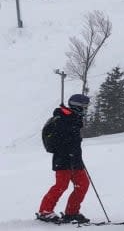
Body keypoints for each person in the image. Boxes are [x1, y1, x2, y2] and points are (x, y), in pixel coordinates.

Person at [37, 94, 91, 224]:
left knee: (83, 184)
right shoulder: (62, 119)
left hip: (76, 160)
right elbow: (58, 141)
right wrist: (68, 151)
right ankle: (45, 211)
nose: (85, 110)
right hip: (63, 160)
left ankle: (72, 212)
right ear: (77, 107)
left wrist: (75, 154)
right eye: (84, 107)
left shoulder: (75, 119)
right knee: (61, 185)